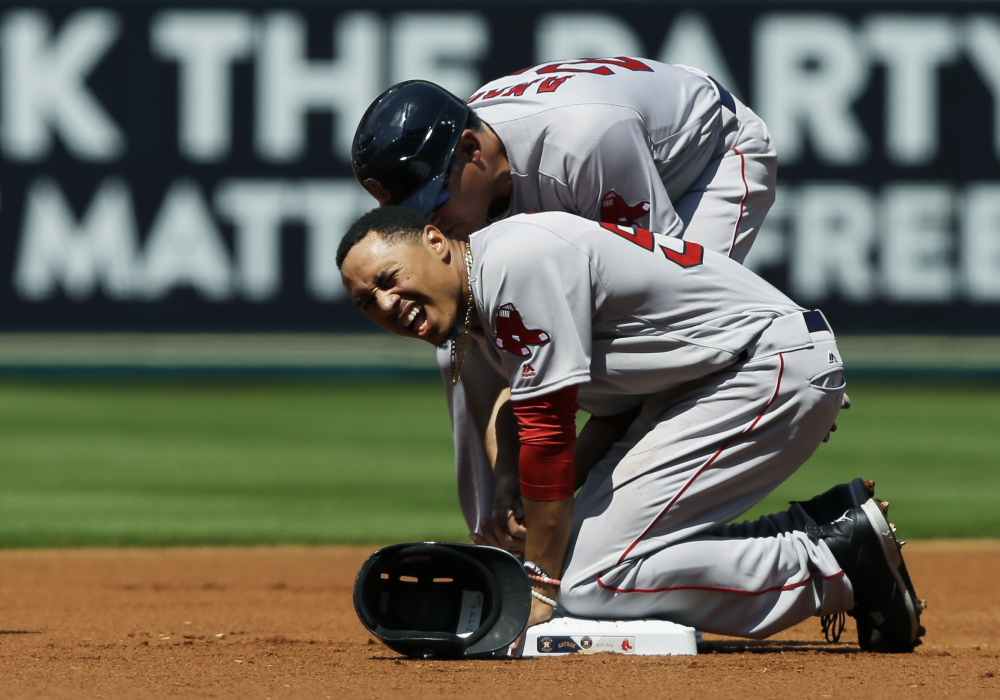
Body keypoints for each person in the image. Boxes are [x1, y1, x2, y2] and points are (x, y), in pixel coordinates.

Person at [336, 206, 924, 652]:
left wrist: (537, 583)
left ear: (435, 241)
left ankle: (833, 566)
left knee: (588, 580)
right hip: (724, 377)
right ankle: (828, 531)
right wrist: (516, 483)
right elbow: (606, 409)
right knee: (582, 560)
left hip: (762, 367)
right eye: (367, 303)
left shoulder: (515, 266)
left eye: (388, 277)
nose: (386, 303)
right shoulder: (486, 295)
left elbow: (548, 436)